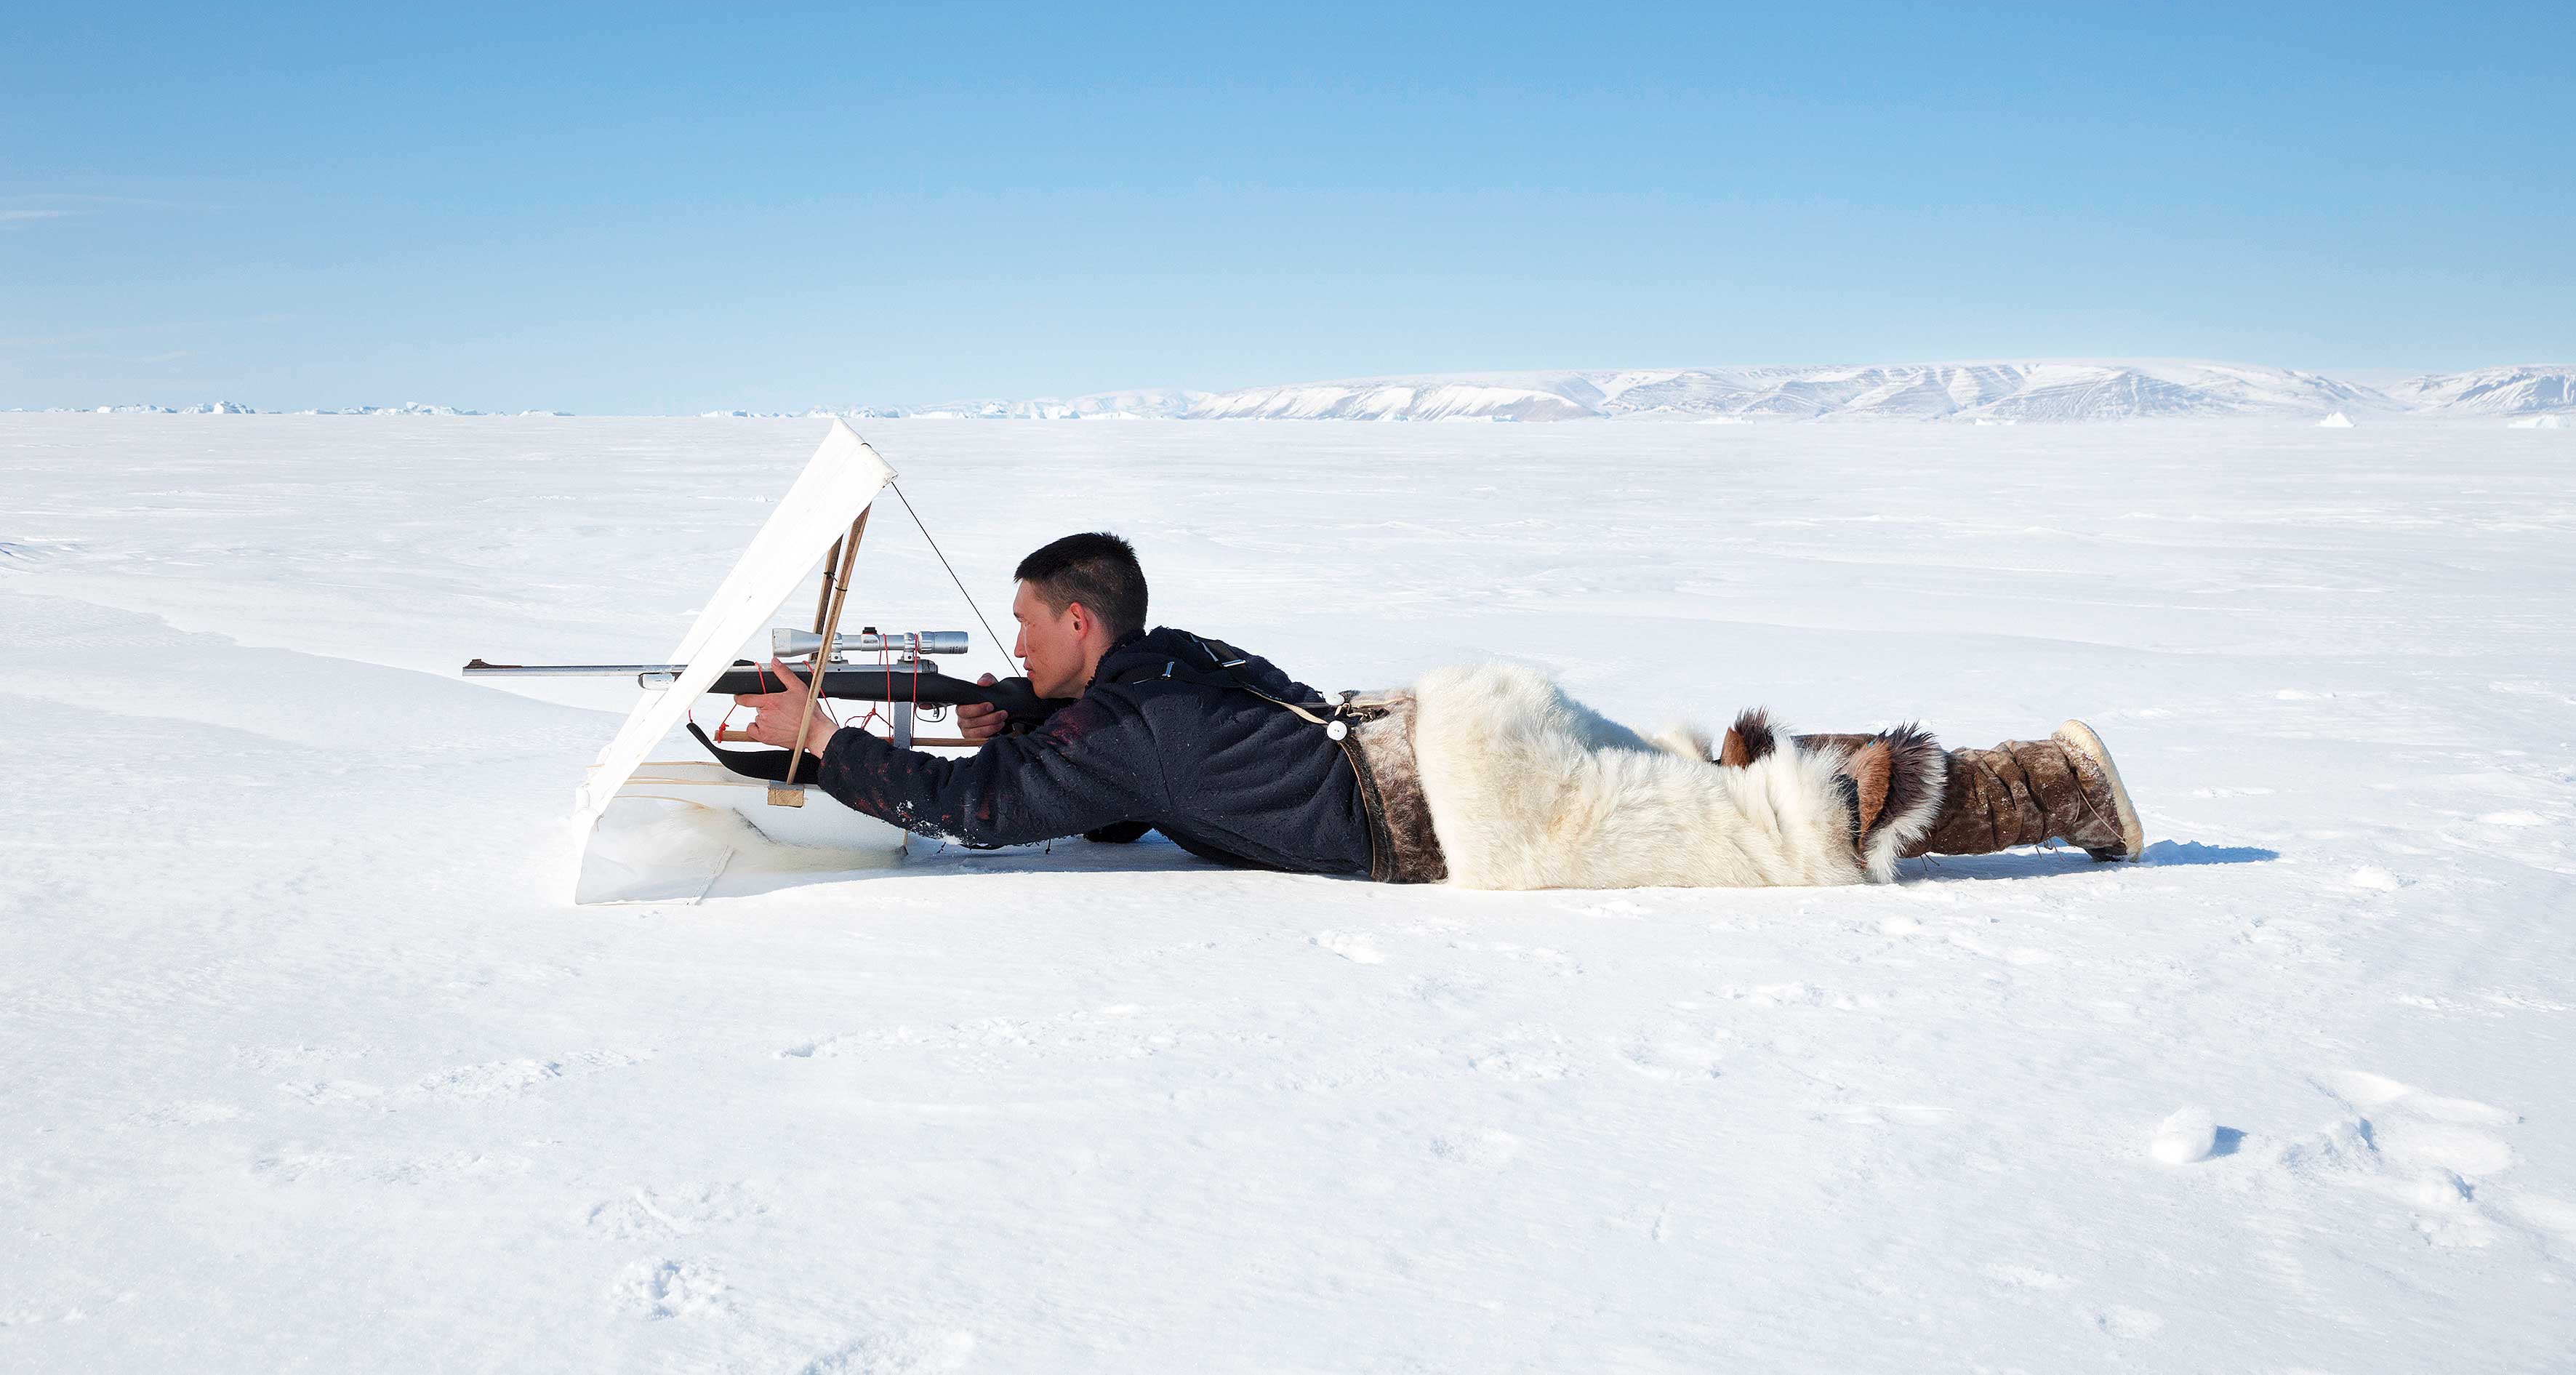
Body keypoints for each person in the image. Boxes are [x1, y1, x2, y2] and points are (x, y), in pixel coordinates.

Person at [729, 532, 2146, 889]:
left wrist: (823, 741)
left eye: (1028, 625)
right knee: (1715, 789)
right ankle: (1742, 771)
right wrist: (1019, 721)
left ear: (1079, 625)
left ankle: (2059, 786)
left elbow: (984, 812)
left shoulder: (1118, 720)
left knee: (1787, 833)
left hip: (1456, 806)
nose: (1013, 641)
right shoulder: (1152, 670)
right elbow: (1104, 784)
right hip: (1448, 734)